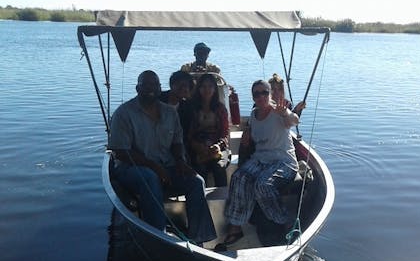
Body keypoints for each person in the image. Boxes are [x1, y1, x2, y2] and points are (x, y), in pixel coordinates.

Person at [109, 70, 217, 245]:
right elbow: (120, 151)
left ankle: (199, 238)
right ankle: (159, 235)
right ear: (138, 88)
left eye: (154, 85)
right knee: (151, 177)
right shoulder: (124, 113)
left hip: (166, 166)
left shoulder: (169, 112)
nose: (150, 89)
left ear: (160, 89)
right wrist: (154, 167)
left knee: (196, 181)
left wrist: (181, 161)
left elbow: (177, 142)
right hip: (131, 168)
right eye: (146, 85)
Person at [216, 80, 300, 250]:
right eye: (257, 94)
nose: (261, 96)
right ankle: (236, 226)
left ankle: (284, 221)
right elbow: (254, 140)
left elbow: (294, 120)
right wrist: (246, 139)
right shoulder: (254, 115)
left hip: (283, 161)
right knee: (239, 178)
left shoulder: (279, 111)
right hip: (261, 159)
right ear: (253, 97)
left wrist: (285, 114)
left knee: (263, 185)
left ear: (270, 94)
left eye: (264, 93)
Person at [187, 73, 230, 187]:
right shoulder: (193, 108)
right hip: (198, 149)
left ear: (215, 89)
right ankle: (201, 200)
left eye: (210, 86)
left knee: (219, 167)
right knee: (200, 169)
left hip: (218, 149)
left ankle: (224, 200)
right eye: (203, 86)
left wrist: (218, 146)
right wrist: (197, 146)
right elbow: (189, 133)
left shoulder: (220, 109)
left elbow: (225, 133)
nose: (207, 90)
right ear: (199, 89)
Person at [160, 70, 195, 145]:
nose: (182, 88)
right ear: (171, 85)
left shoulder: (187, 107)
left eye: (185, 86)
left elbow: (186, 133)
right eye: (179, 84)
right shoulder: (158, 99)